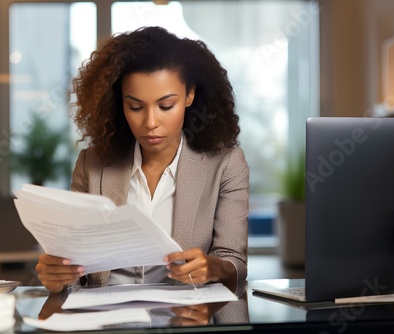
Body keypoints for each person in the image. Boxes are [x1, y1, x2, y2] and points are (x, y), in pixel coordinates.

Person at [35, 26, 249, 297]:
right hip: (108, 320)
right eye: (135, 107)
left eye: (165, 106)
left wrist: (214, 268)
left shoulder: (226, 164)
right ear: (119, 103)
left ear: (189, 95)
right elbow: (77, 271)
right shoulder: (92, 164)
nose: (150, 123)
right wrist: (58, 276)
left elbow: (235, 262)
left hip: (185, 318)